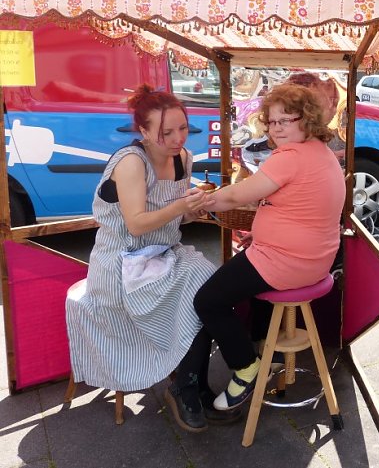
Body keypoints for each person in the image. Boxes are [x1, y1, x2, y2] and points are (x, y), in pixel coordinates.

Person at [65, 84, 225, 434]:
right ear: (143, 131)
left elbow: (177, 218)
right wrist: (182, 205)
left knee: (211, 288)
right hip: (121, 263)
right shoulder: (131, 162)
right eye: (166, 132)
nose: (177, 138)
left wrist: (195, 208)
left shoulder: (183, 160)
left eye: (183, 128)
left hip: (164, 254)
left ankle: (190, 383)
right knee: (194, 299)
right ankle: (187, 388)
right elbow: (136, 224)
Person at [194, 83, 345, 410]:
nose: (277, 129)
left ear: (306, 120)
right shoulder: (321, 151)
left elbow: (237, 195)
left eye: (286, 120)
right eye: (272, 122)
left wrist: (203, 202)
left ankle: (247, 368)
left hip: (288, 262)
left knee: (207, 301)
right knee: (247, 276)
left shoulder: (290, 156)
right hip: (314, 260)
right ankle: (269, 351)